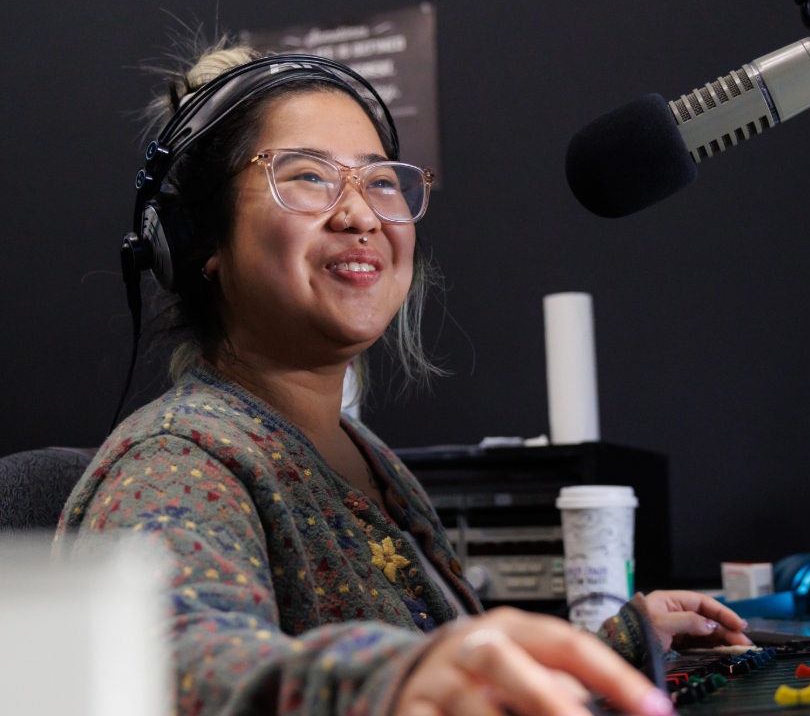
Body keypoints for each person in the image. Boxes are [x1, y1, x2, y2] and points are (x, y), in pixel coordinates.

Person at [55, 40, 752, 716]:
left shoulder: (370, 461)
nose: (360, 214)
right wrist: (393, 681)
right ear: (198, 241)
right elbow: (168, 667)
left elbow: (446, 676)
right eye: (308, 175)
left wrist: (622, 645)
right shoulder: (176, 462)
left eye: (381, 180)